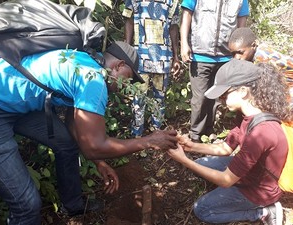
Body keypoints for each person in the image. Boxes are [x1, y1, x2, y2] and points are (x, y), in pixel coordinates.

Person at [0, 41, 178, 225]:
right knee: (27, 203)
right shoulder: (93, 80)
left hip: (14, 105)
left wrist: (99, 162)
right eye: (127, 79)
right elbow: (93, 147)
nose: (124, 87)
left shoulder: (85, 60)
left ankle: (73, 206)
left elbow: (76, 126)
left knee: (65, 142)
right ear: (119, 65)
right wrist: (149, 141)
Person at [167, 59, 292, 225]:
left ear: (242, 91)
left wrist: (183, 160)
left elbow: (226, 180)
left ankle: (263, 212)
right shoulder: (247, 116)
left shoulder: (262, 132)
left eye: (224, 94)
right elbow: (226, 148)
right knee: (201, 164)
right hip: (250, 172)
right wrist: (190, 146)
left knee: (202, 209)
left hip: (259, 190)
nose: (221, 100)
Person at [180, 0, 250, 143]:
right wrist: (184, 43)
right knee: (199, 99)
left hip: (226, 57)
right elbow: (187, 14)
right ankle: (195, 135)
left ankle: (209, 131)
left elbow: (241, 25)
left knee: (217, 98)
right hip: (200, 54)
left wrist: (238, 55)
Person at [123, 0, 181, 137]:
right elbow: (128, 20)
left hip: (163, 59)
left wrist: (176, 56)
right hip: (139, 58)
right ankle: (136, 136)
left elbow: (174, 27)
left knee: (159, 99)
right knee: (138, 99)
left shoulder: (173, 2)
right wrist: (126, 49)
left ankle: (157, 134)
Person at [228, 27, 293, 104]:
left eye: (240, 52)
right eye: (233, 54)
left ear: (254, 45)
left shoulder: (262, 58)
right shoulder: (251, 56)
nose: (237, 57)